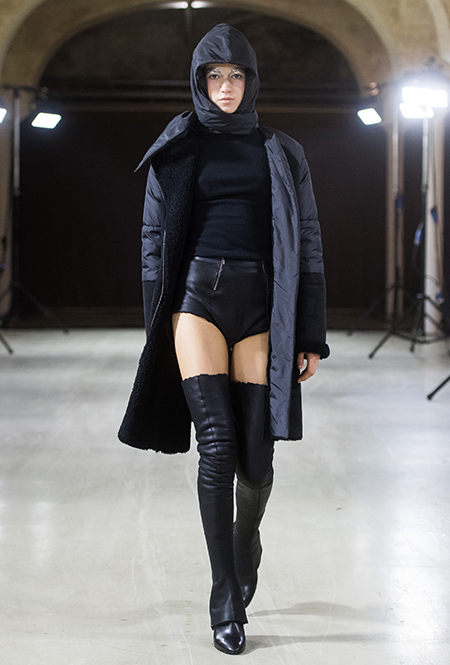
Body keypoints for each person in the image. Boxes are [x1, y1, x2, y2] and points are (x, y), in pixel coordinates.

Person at [119, 23, 329, 655]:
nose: (226, 86)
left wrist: (309, 332)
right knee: (216, 443)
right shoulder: (177, 148)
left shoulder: (282, 151)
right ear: (199, 81)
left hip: (262, 304)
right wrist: (156, 327)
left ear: (251, 81)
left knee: (256, 457)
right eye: (215, 76)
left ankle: (245, 543)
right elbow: (153, 240)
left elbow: (308, 239)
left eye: (237, 75)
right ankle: (224, 595)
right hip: (195, 301)